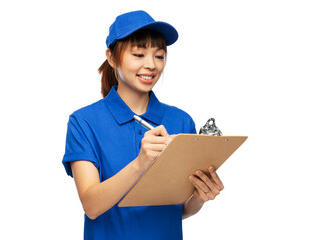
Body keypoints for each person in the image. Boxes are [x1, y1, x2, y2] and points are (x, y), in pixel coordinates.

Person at [62, 10, 224, 240]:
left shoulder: (181, 120)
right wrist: (140, 163)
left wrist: (200, 195)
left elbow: (177, 210)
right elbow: (91, 205)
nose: (151, 65)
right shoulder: (84, 121)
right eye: (138, 54)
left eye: (159, 56)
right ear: (111, 57)